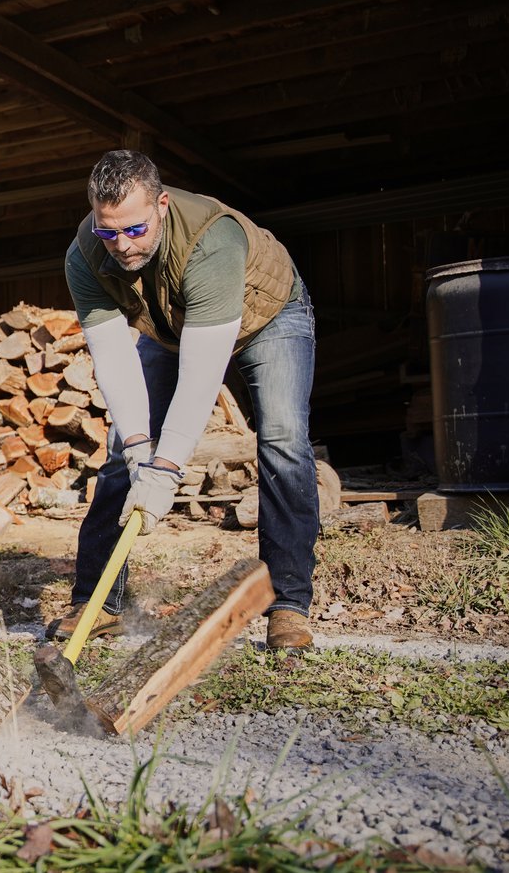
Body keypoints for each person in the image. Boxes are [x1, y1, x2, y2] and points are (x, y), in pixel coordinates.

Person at [49, 150, 319, 650]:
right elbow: (114, 358)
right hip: (173, 326)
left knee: (282, 439)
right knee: (119, 450)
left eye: (135, 230)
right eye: (109, 231)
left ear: (162, 205)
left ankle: (288, 605)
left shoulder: (212, 241)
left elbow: (201, 376)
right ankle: (97, 601)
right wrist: (139, 451)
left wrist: (166, 469)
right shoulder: (84, 256)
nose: (122, 245)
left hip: (269, 316)